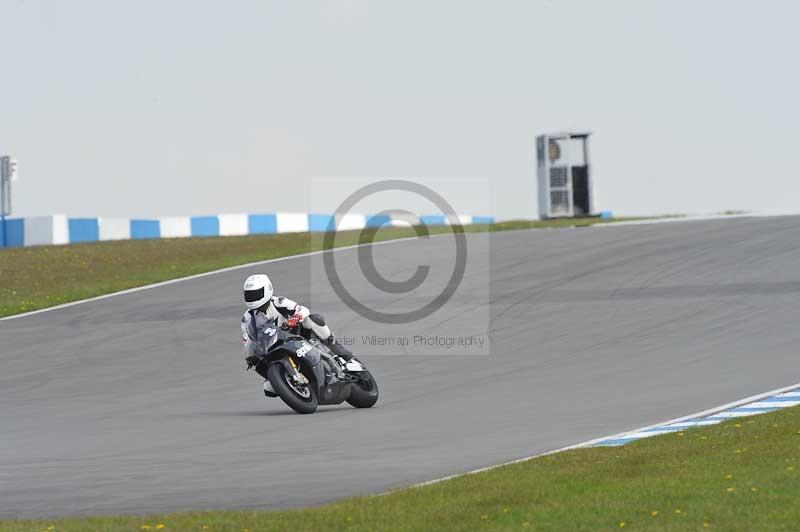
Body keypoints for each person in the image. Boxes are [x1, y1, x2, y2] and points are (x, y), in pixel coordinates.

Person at [240, 273, 353, 360]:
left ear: (267, 289)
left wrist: (295, 318)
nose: (252, 298)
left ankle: (338, 349)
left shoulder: (278, 302)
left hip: (294, 335)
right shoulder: (247, 318)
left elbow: (303, 310)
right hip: (271, 349)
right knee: (268, 387)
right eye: (249, 295)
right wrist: (249, 354)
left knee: (314, 319)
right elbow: (247, 340)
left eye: (255, 294)